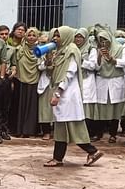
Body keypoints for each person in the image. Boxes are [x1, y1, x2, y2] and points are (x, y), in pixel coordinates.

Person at [43, 27, 104, 168]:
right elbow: (52, 70)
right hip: (63, 92)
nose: (56, 38)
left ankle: (92, 151)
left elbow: (69, 74)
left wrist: (58, 93)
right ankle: (58, 158)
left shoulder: (71, 51)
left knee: (72, 127)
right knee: (63, 128)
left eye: (59, 36)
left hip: (68, 94)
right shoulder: (61, 51)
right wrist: (49, 58)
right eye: (55, 36)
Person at [90, 29, 125, 143]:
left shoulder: (120, 49)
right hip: (102, 80)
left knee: (115, 109)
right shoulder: (97, 50)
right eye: (101, 40)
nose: (103, 42)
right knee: (101, 109)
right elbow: (95, 67)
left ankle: (113, 134)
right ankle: (99, 133)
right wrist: (99, 56)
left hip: (115, 81)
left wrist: (112, 59)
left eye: (105, 39)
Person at [11, 27, 41, 137]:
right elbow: (14, 63)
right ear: (25, 36)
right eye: (29, 35)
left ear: (37, 36)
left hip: (35, 80)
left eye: (34, 35)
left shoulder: (41, 50)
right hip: (21, 80)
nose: (31, 37)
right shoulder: (19, 49)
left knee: (32, 106)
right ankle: (19, 130)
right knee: (20, 105)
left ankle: (30, 130)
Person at [74, 28, 99, 138]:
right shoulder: (72, 48)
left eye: (81, 37)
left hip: (87, 80)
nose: (78, 39)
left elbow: (93, 65)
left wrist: (82, 61)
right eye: (76, 36)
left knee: (87, 107)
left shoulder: (90, 49)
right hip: (75, 79)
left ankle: (87, 133)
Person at [0, 24, 15, 140]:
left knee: (5, 106)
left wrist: (13, 70)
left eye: (6, 34)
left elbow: (14, 64)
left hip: (7, 79)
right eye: (1, 34)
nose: (4, 36)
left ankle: (4, 129)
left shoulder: (11, 49)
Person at [37, 31, 55, 140]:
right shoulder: (41, 51)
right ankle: (46, 131)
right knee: (45, 108)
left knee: (58, 108)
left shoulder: (62, 51)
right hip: (45, 82)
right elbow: (39, 67)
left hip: (57, 81)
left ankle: (58, 131)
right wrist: (47, 61)